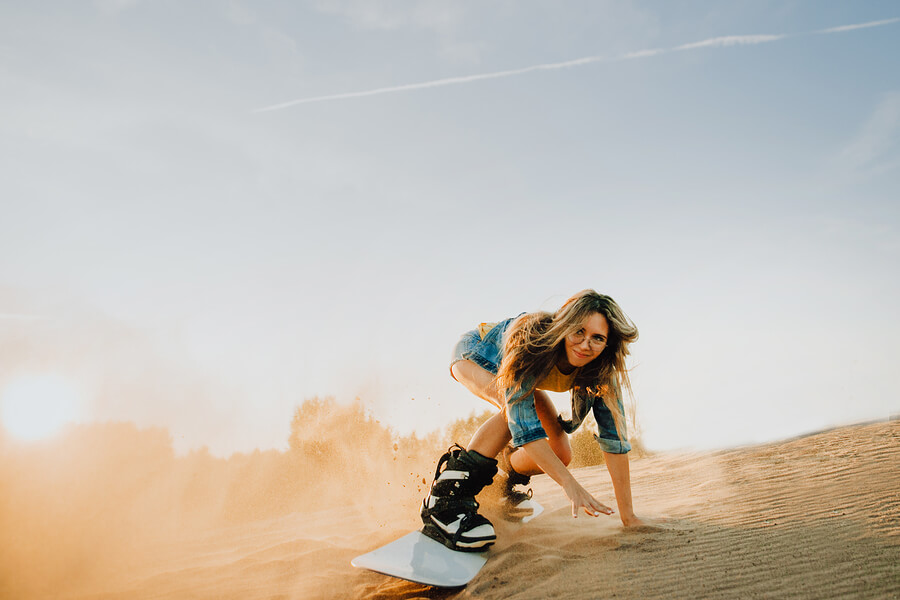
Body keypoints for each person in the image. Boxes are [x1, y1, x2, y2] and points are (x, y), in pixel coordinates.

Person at [420, 289, 647, 551]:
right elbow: (524, 428)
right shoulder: (530, 341)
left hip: (520, 377)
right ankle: (446, 499)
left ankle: (504, 477)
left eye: (597, 338)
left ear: (608, 343)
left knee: (560, 451)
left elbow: (614, 441)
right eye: (579, 332)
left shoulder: (603, 371)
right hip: (476, 353)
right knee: (513, 413)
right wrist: (570, 485)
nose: (586, 344)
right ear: (564, 325)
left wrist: (628, 517)